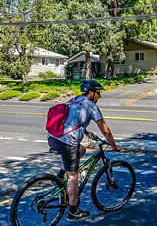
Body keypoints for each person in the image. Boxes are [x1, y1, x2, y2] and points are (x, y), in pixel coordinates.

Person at [47, 79, 120, 221]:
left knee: (81, 150)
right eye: (98, 93)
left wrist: (86, 132)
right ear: (91, 93)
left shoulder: (74, 100)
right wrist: (114, 146)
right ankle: (73, 211)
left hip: (53, 137)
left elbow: (71, 119)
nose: (100, 96)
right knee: (73, 176)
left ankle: (60, 175)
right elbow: (105, 130)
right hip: (67, 142)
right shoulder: (91, 106)